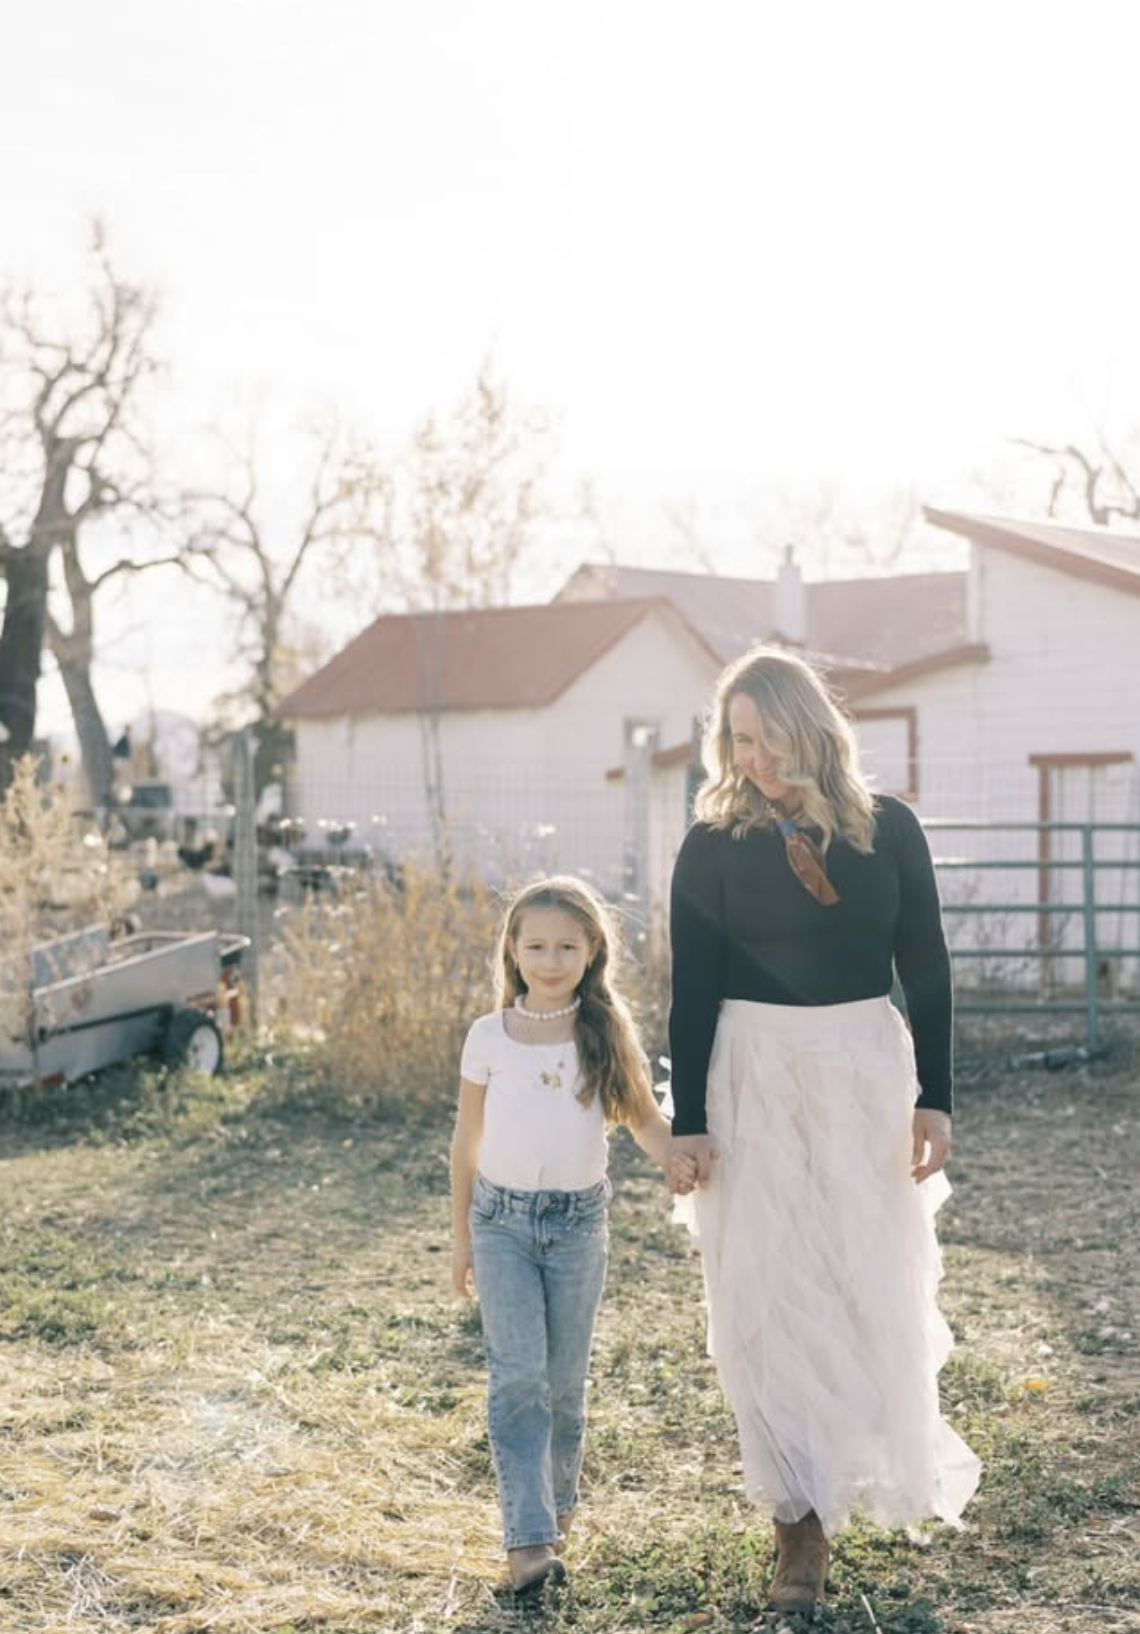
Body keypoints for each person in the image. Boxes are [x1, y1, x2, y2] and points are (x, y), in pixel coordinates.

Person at [667, 645, 981, 1616]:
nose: (749, 755)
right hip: (750, 1073)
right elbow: (694, 987)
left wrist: (936, 1092)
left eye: (762, 735)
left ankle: (847, 1463)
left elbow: (924, 963)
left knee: (858, 1275)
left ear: (809, 725)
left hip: (860, 1073)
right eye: (735, 738)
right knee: (766, 1286)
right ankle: (796, 1528)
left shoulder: (890, 829)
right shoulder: (712, 843)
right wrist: (690, 1120)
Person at [450, 875, 695, 1595]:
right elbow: (466, 1139)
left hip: (578, 1226)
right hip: (500, 1224)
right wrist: (462, 1235)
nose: (550, 960)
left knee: (562, 1384)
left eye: (566, 946)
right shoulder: (488, 1036)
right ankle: (526, 1539)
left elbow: (644, 1120)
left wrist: (682, 1156)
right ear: (512, 951)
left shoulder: (605, 1032)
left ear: (592, 951)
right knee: (517, 1377)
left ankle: (556, 1514)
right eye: (536, 946)